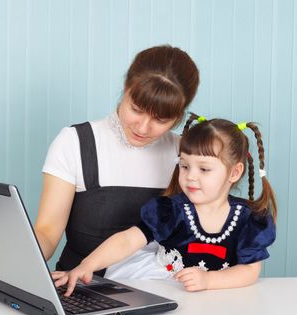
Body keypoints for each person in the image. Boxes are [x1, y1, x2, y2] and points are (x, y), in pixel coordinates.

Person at [52, 113, 277, 295]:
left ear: (234, 172)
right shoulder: (172, 210)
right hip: (169, 288)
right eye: (185, 166)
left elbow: (250, 270)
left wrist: (209, 280)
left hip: (219, 300)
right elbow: (128, 240)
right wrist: (86, 265)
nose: (190, 176)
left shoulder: (248, 219)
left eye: (204, 169)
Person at [34, 45, 200, 276]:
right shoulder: (75, 143)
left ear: (179, 116)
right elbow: (47, 232)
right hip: (82, 290)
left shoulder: (187, 156)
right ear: (125, 89)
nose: (143, 127)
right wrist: (18, 255)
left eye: (161, 119)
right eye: (136, 109)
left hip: (165, 292)